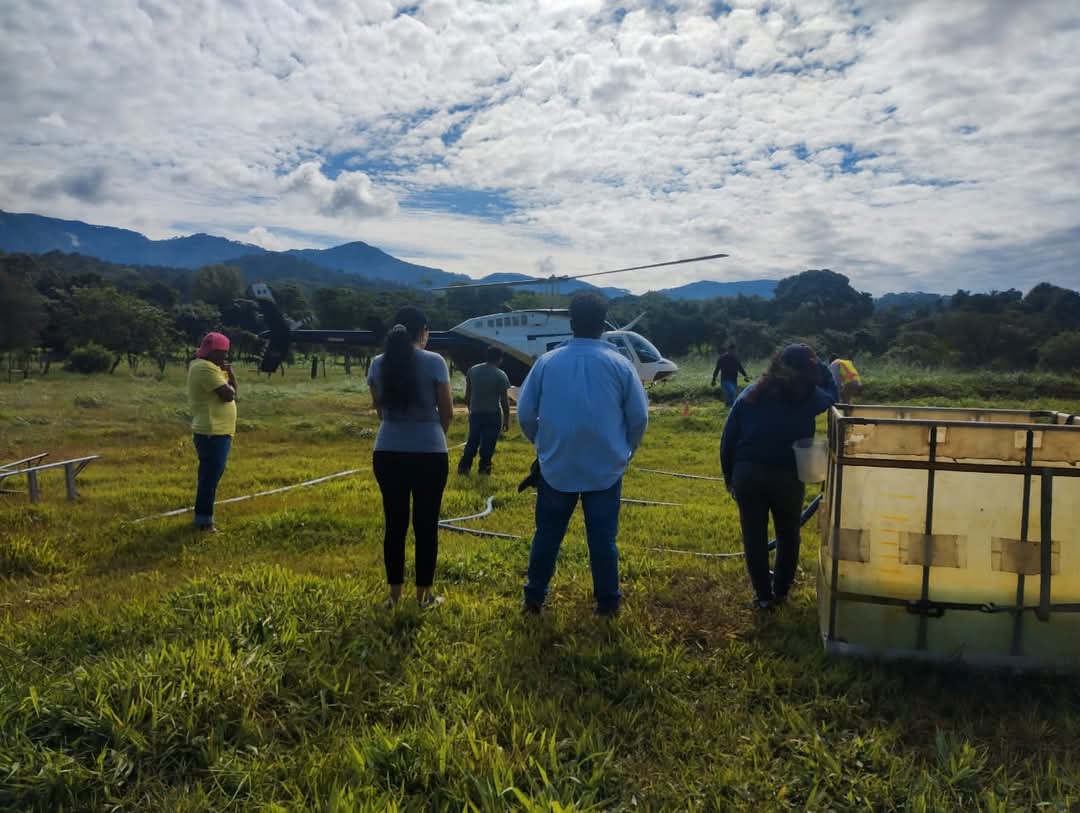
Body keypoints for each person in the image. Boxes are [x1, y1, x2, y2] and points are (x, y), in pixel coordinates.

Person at [517, 293, 649, 617]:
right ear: (604, 325)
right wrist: (627, 451)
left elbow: (524, 413)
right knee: (603, 540)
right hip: (606, 468)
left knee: (547, 535)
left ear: (571, 323)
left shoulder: (547, 362)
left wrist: (543, 445)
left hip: (556, 466)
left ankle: (534, 598)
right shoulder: (621, 364)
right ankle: (607, 603)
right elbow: (639, 418)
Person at [720, 344, 838, 609]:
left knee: (754, 536)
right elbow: (834, 395)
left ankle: (763, 596)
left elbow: (729, 437)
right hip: (787, 476)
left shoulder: (751, 393)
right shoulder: (808, 395)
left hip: (747, 473)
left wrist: (729, 474)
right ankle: (781, 590)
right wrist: (820, 366)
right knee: (788, 535)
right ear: (808, 370)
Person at [367, 306, 454, 609]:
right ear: (423, 331)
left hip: (387, 450)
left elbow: (379, 409)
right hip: (429, 452)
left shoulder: (378, 363)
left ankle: (393, 595)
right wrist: (435, 434)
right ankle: (424, 595)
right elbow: (447, 411)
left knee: (395, 524)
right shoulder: (435, 362)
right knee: (426, 524)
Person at [187, 332, 237, 533]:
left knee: (211, 475)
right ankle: (204, 521)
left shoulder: (210, 367)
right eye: (222, 354)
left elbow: (234, 393)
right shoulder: (205, 368)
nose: (224, 358)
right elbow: (228, 395)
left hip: (219, 431)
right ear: (214, 352)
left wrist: (229, 374)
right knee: (209, 477)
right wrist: (229, 374)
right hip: (212, 430)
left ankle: (203, 517)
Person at [457, 346, 511, 475]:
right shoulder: (500, 375)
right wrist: (507, 419)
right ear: (500, 359)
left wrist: (471, 409)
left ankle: (464, 467)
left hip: (475, 413)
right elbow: (504, 400)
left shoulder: (473, 370)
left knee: (472, 440)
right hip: (493, 414)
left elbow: (467, 395)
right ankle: (484, 469)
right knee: (488, 442)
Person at [711, 343, 750, 407]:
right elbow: (717, 369)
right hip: (725, 380)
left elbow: (740, 368)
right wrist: (713, 380)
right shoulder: (722, 359)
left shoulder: (735, 359)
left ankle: (727, 408)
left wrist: (745, 376)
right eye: (731, 350)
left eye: (734, 351)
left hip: (734, 381)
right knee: (732, 393)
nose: (733, 352)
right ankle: (734, 408)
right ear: (728, 350)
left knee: (730, 396)